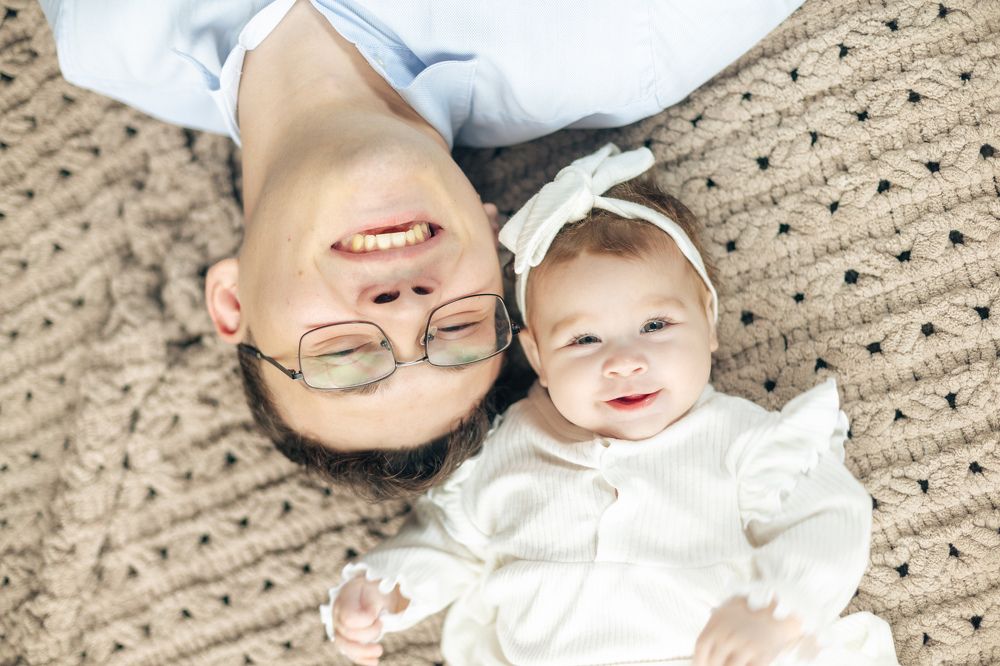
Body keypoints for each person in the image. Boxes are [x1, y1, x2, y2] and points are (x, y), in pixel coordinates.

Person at [40, 0, 806, 498]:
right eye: (457, 329)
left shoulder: (103, 36)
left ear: (231, 301)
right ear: (491, 236)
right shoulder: (625, 41)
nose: (405, 307)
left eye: (342, 354)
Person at [320, 145, 901, 665]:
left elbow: (829, 517)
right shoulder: (507, 448)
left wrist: (777, 608)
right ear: (538, 357)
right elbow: (449, 541)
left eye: (655, 325)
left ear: (709, 323)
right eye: (584, 340)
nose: (624, 361)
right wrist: (386, 587)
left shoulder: (738, 440)